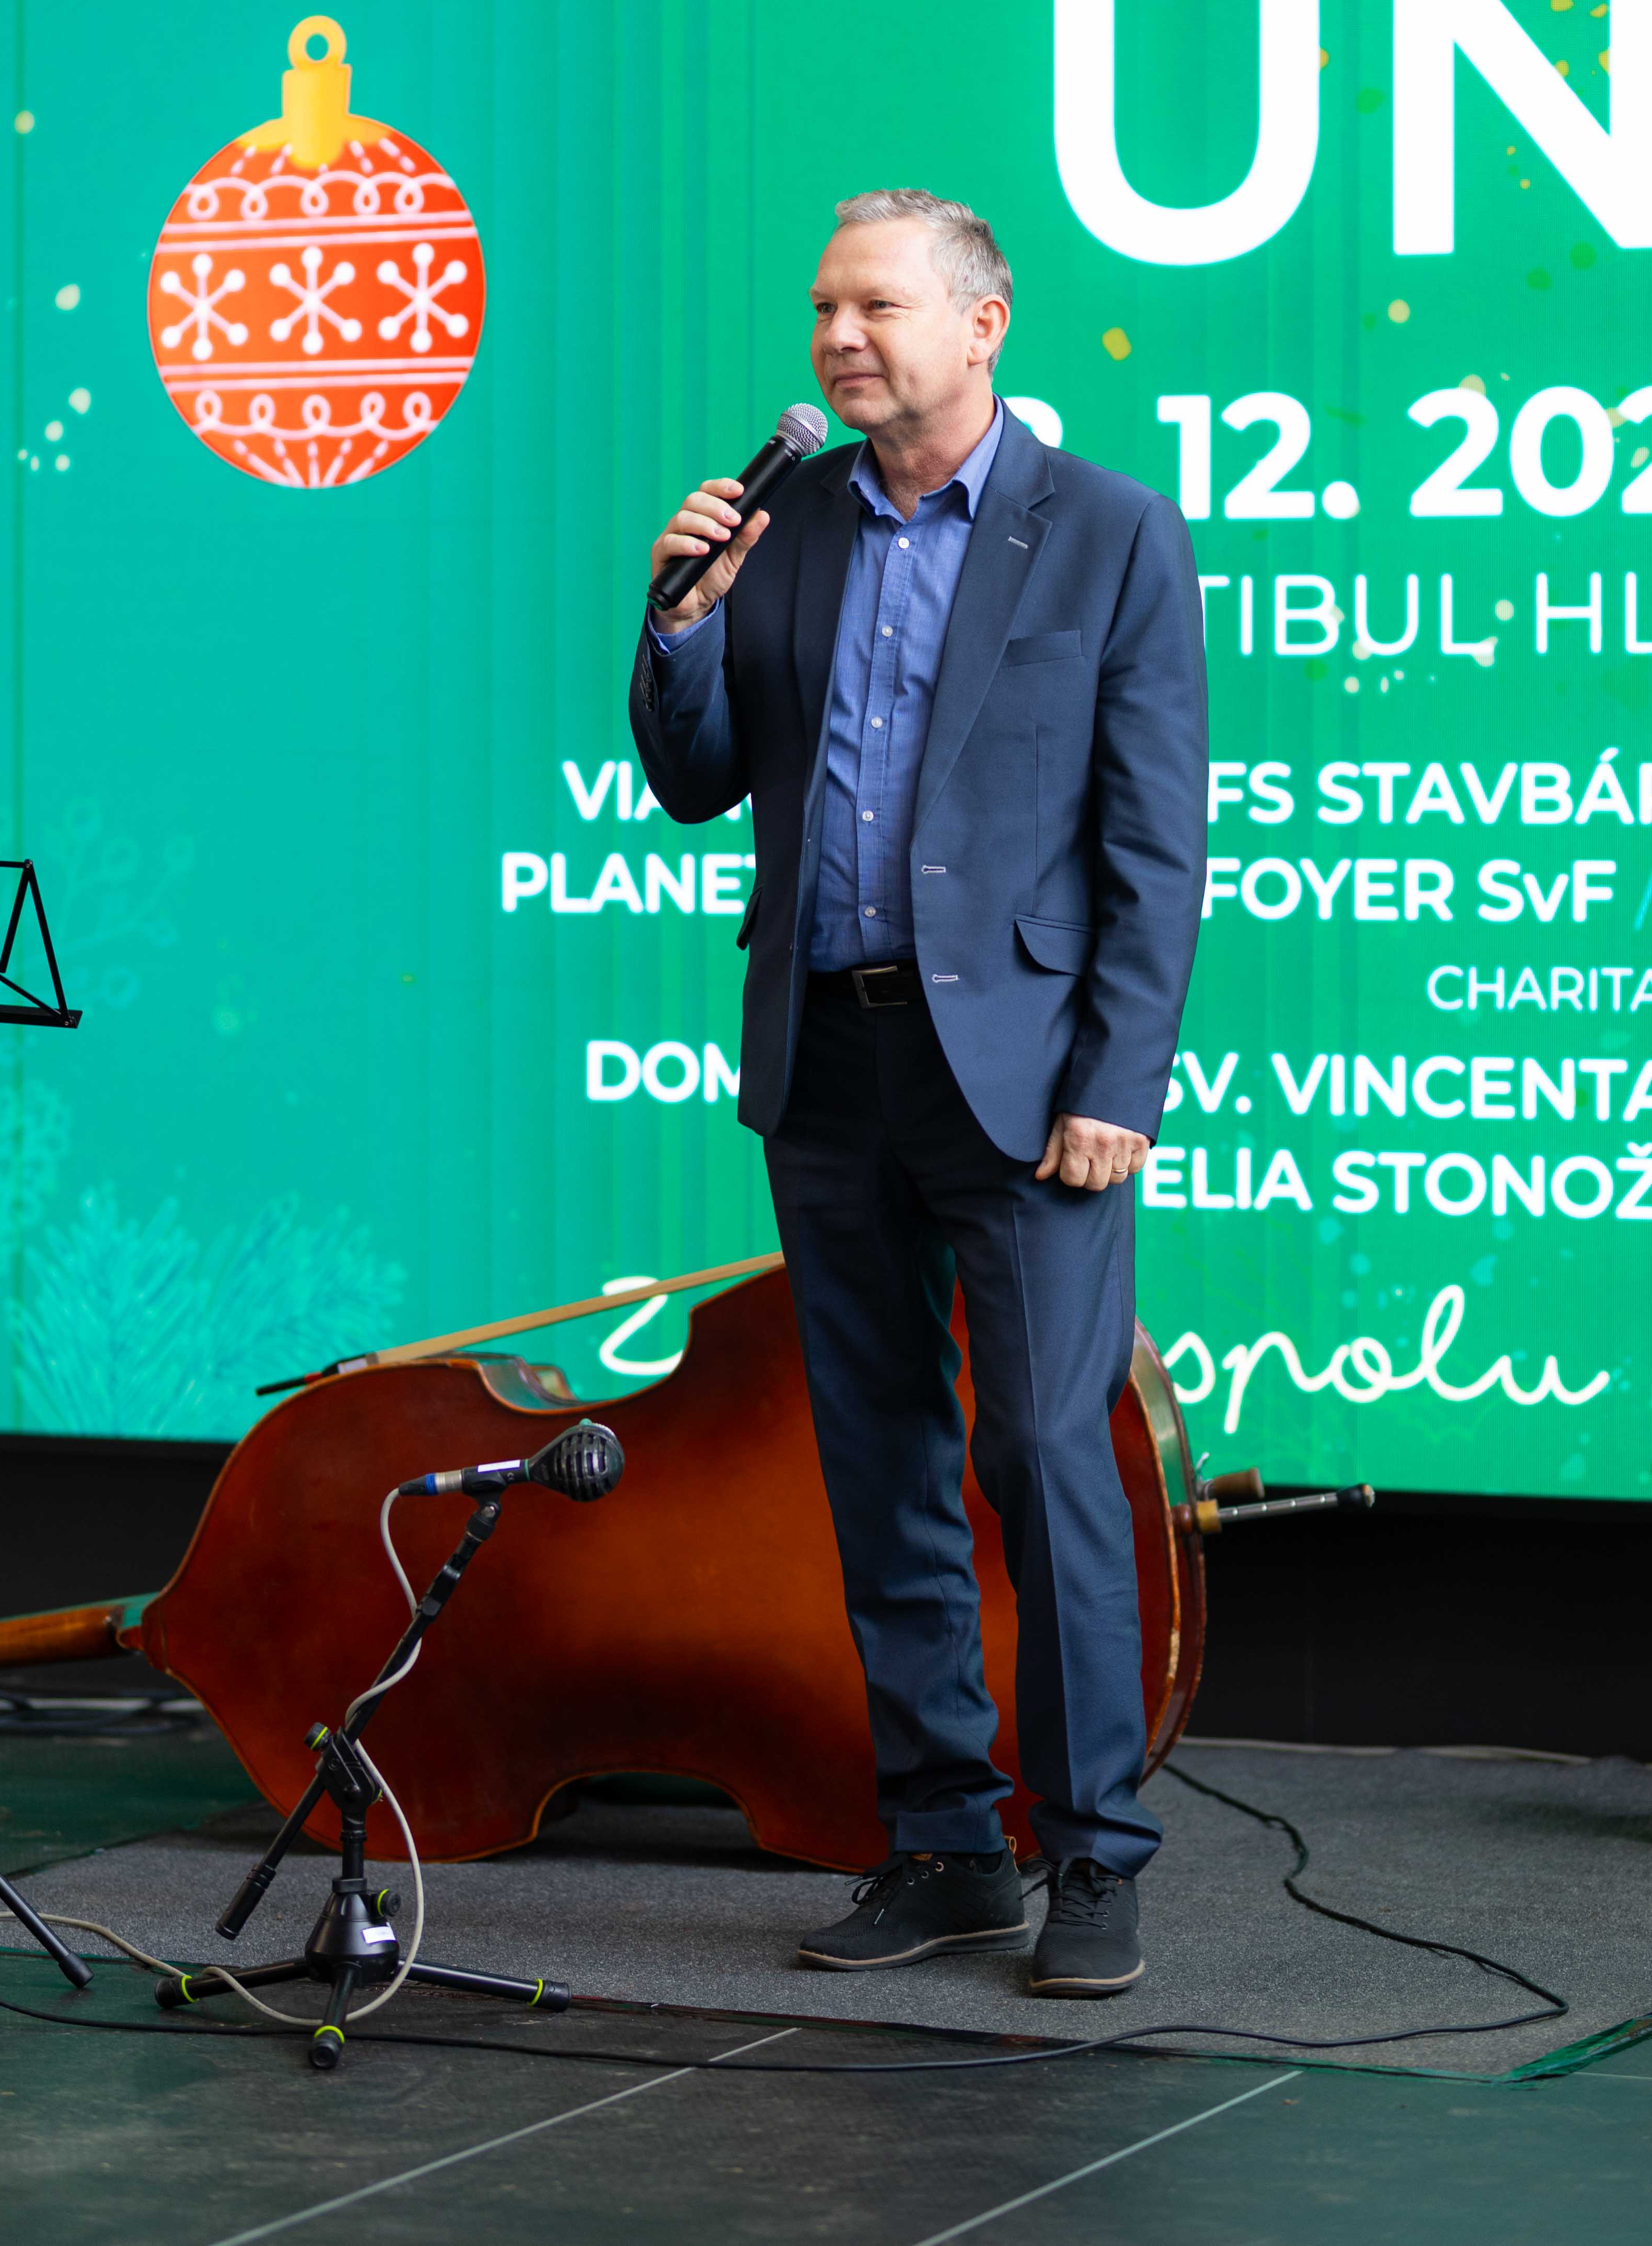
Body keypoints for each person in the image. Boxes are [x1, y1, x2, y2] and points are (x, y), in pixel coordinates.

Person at [631, 188, 1206, 1997]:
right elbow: (697, 779)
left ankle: (1092, 1852)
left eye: (874, 306)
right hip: (828, 1055)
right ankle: (947, 1845)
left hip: (1028, 1081)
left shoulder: (1105, 530)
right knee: (881, 1463)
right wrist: (679, 626)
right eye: (823, 308)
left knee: (1041, 1455)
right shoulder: (787, 520)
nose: (837, 340)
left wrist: (1120, 1075)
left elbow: (1156, 840)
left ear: (982, 323)